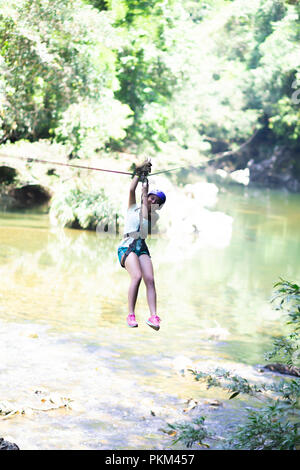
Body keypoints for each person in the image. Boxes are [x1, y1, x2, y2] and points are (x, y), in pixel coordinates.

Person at [117, 160, 166, 330]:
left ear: (158, 206)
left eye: (156, 200)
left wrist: (145, 182)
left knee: (150, 280)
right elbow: (132, 190)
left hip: (142, 247)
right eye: (151, 197)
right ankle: (131, 314)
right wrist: (139, 174)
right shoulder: (132, 208)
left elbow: (145, 205)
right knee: (136, 276)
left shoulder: (153, 216)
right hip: (127, 245)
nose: (152, 200)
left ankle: (154, 316)